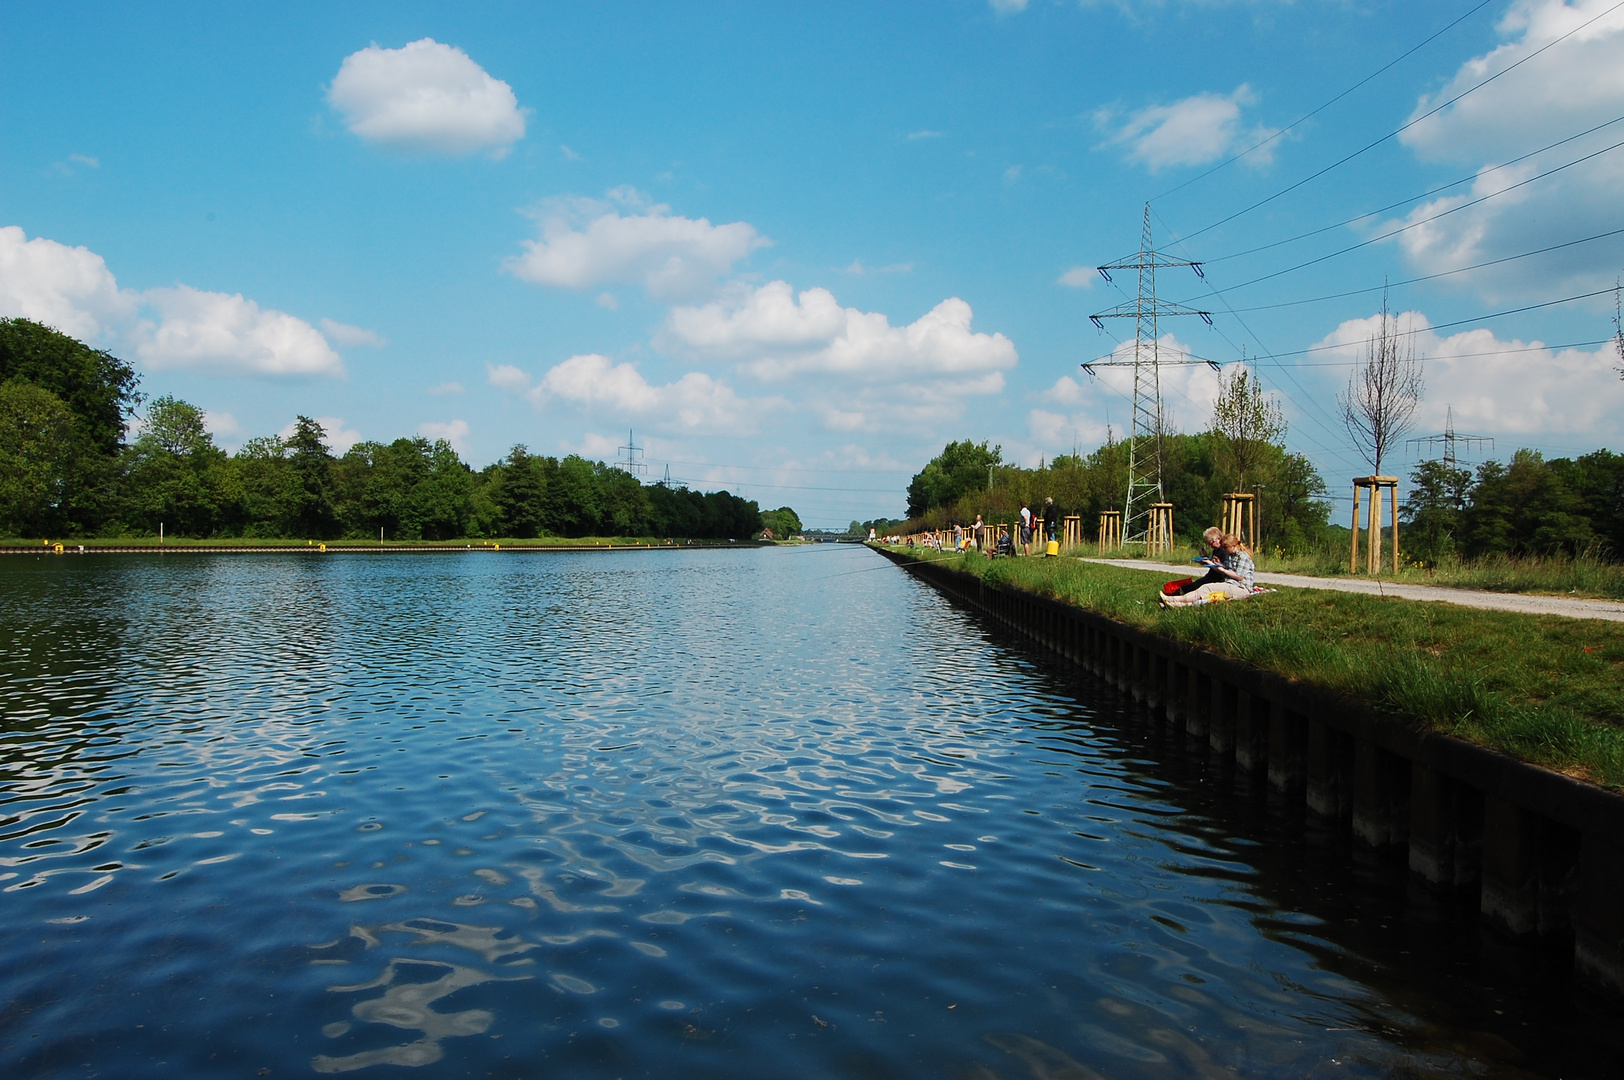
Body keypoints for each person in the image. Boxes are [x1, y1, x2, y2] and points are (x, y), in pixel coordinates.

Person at [1161, 528, 1256, 607]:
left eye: (1225, 547)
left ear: (1233, 546)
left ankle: (1173, 599)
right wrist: (1219, 564)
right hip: (1231, 583)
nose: (1223, 549)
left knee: (1206, 588)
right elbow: (1227, 569)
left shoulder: (1242, 556)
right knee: (1206, 592)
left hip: (1241, 587)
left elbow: (1239, 576)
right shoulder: (1231, 555)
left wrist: (1221, 568)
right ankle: (1177, 604)